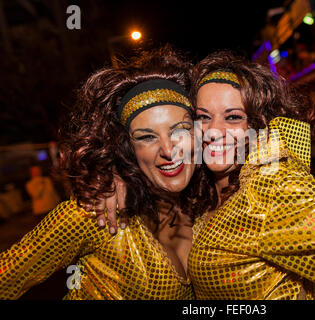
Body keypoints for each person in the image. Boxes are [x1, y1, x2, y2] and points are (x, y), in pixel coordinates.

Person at [93, 51, 315, 300]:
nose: (213, 132)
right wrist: (118, 176)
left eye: (233, 117)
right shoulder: (203, 187)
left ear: (256, 126)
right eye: (203, 117)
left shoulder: (270, 183)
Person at [0, 48, 213, 299]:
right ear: (128, 147)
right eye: (146, 137)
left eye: (180, 130)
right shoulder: (94, 214)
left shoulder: (208, 204)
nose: (168, 150)